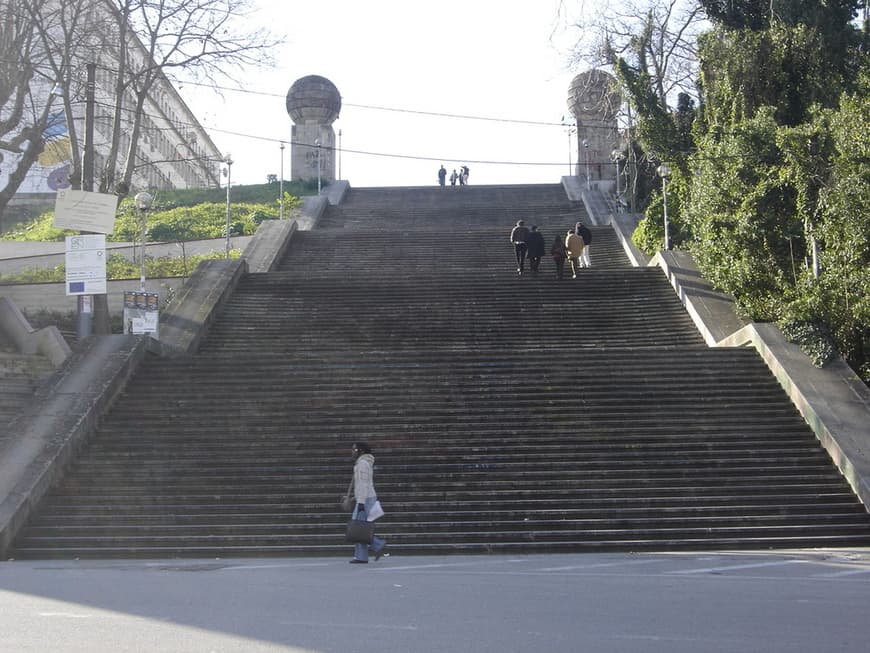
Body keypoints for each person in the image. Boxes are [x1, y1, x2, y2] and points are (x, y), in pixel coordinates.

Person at [348, 441, 387, 563]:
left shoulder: (363, 464)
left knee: (359, 528)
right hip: (365, 498)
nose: (352, 452)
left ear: (362, 451)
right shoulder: (362, 463)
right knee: (360, 527)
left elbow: (364, 484)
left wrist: (360, 502)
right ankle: (361, 556)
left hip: (365, 500)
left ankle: (378, 545)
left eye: (355, 450)